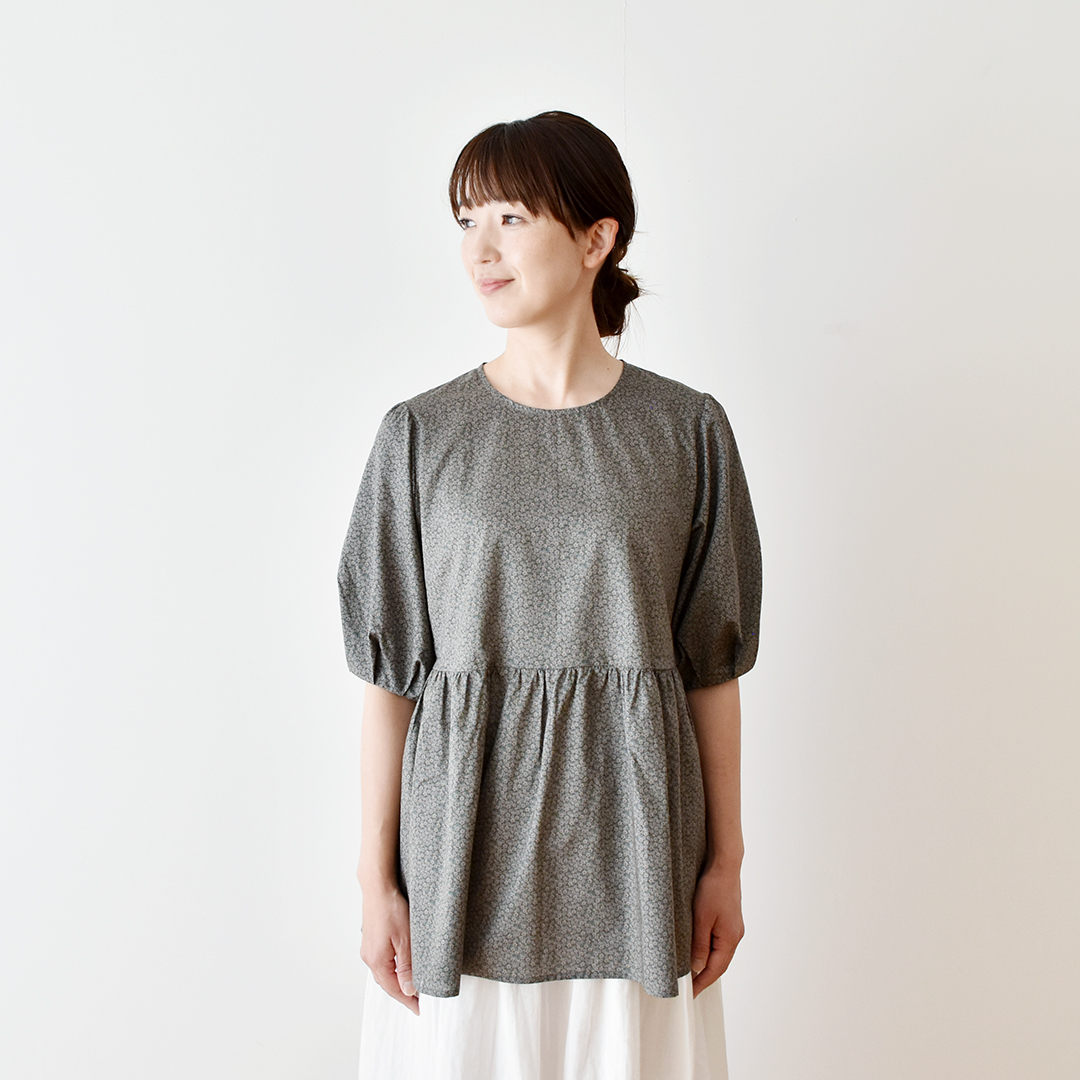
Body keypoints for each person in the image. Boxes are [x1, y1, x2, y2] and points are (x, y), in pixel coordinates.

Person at [338, 110, 762, 1080]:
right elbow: (391, 680)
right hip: (463, 848)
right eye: (465, 221)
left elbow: (711, 665)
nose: (479, 250)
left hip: (637, 843)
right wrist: (375, 881)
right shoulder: (421, 435)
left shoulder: (686, 430)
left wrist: (726, 864)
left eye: (510, 218)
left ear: (595, 238)